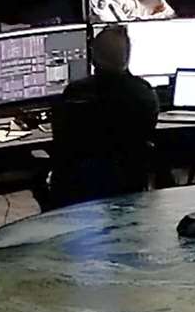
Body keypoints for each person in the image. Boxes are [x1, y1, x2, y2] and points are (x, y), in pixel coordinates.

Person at [43, 24, 160, 208]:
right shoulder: (143, 94)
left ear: (93, 57)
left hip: (76, 194)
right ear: (127, 57)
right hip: (127, 191)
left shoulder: (74, 93)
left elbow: (60, 141)